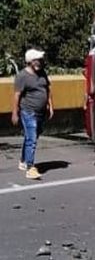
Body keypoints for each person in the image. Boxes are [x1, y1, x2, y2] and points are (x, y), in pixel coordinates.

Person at [11, 49, 52, 180]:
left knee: (31, 137)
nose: (39, 63)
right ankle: (30, 168)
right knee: (32, 139)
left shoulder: (42, 73)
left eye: (40, 60)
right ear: (29, 61)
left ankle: (23, 161)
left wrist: (50, 105)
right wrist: (15, 113)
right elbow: (17, 95)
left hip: (41, 112)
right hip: (28, 112)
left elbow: (48, 88)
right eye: (36, 60)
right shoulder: (22, 76)